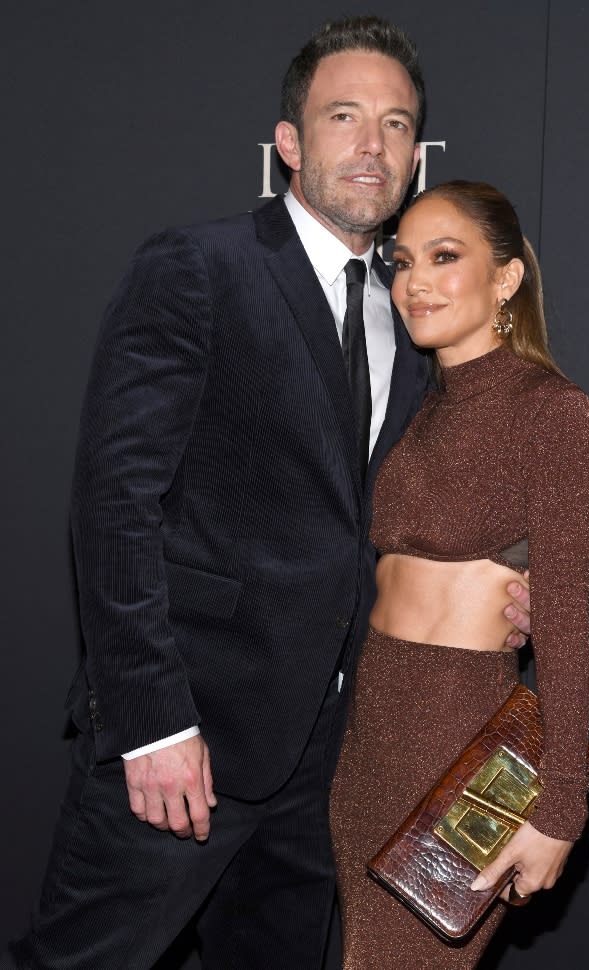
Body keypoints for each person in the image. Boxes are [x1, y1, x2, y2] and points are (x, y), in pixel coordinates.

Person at [5, 19, 532, 970]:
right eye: (344, 117)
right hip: (188, 740)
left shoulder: (413, 317)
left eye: (397, 124)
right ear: (290, 143)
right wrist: (152, 720)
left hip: (333, 753)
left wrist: (494, 589)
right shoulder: (199, 268)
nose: (372, 146)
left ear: (416, 157)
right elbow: (115, 502)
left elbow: (390, 517)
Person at [329, 180, 589, 968]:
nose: (415, 281)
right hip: (369, 739)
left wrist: (559, 807)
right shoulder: (414, 407)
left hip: (457, 736)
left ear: (508, 277)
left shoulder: (556, 415)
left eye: (445, 257)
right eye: (403, 259)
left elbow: (560, 625)